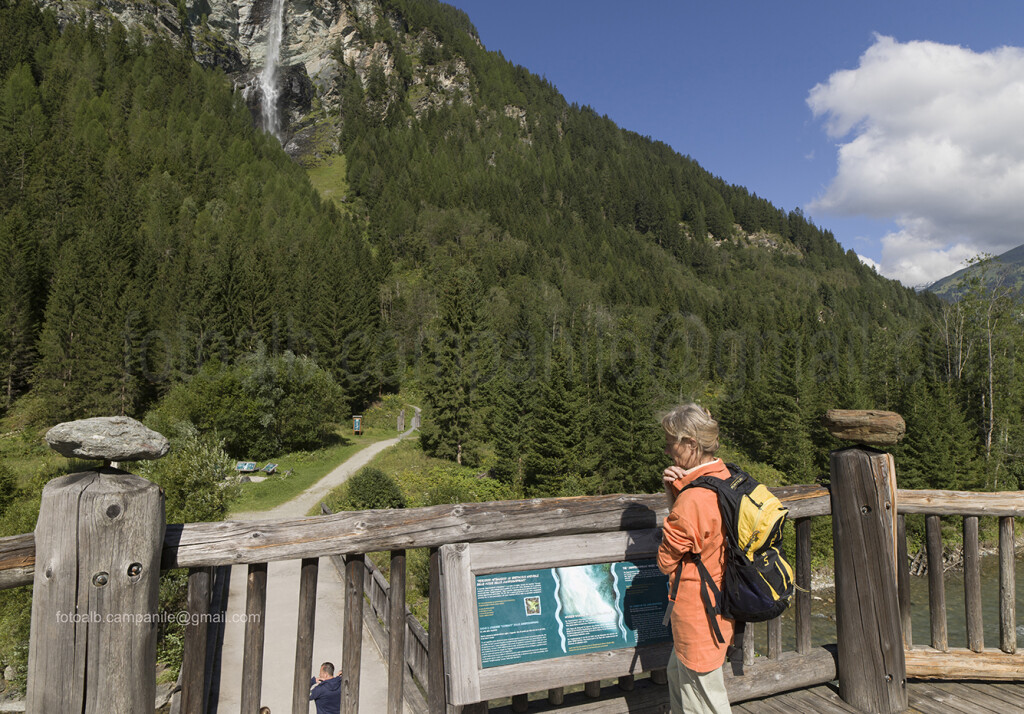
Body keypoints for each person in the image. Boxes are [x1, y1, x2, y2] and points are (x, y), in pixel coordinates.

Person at [657, 404, 733, 714]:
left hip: (697, 610)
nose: (667, 450)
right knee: (681, 678)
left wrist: (679, 500)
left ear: (690, 443)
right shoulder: (724, 476)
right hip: (719, 601)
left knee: (703, 699)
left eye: (670, 441)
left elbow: (666, 560)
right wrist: (676, 490)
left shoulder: (693, 499)